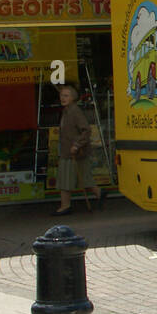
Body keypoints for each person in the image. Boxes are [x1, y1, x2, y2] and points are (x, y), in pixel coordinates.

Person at [53, 83, 104, 215]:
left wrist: (77, 144)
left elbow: (86, 130)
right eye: (61, 95)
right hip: (70, 151)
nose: (63, 98)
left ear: (73, 97)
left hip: (73, 152)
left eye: (66, 96)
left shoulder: (74, 111)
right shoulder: (67, 111)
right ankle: (99, 194)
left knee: (66, 178)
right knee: (84, 177)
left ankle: (65, 206)